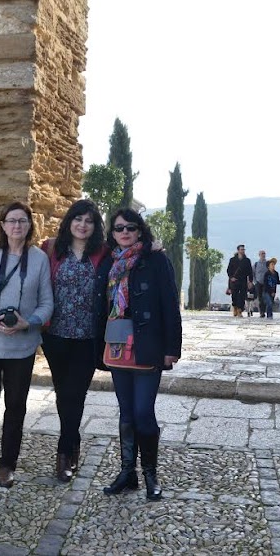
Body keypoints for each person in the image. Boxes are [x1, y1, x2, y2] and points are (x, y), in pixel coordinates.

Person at [0, 201, 54, 489]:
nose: (17, 226)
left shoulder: (39, 259)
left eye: (22, 221)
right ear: (2, 225)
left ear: (30, 225)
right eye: (12, 220)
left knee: (16, 407)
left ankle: (8, 465)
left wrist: (29, 322)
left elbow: (47, 302)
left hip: (22, 347)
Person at [97, 208, 182, 501]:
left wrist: (172, 348)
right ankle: (127, 473)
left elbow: (170, 304)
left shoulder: (156, 259)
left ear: (140, 230)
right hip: (117, 344)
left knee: (144, 413)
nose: (125, 232)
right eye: (119, 228)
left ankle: (150, 474)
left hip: (148, 344)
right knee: (126, 413)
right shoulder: (109, 261)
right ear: (112, 232)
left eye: (130, 227)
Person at [40, 199, 109, 482]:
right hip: (54, 335)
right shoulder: (50, 249)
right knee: (62, 392)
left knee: (76, 393)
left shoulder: (105, 252)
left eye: (89, 221)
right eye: (78, 219)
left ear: (95, 226)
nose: (82, 225)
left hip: (88, 337)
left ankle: (63, 453)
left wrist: (154, 245)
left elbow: (134, 250)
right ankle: (73, 439)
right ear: (69, 221)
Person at [226, 244, 253, 317]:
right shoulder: (232, 260)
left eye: (243, 249)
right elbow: (229, 270)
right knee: (234, 295)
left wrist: (250, 281)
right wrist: (231, 277)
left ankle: (240, 310)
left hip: (243, 280)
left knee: (242, 296)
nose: (243, 251)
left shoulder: (247, 261)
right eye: (241, 249)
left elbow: (250, 271)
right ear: (238, 250)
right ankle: (235, 307)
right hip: (234, 281)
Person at [253, 250, 268, 317]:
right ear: (259, 255)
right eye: (262, 253)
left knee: (264, 297)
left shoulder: (267, 264)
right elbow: (253, 273)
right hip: (258, 283)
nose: (263, 255)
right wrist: (255, 282)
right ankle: (261, 312)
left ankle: (263, 310)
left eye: (264, 253)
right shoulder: (256, 264)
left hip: (266, 283)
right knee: (260, 298)